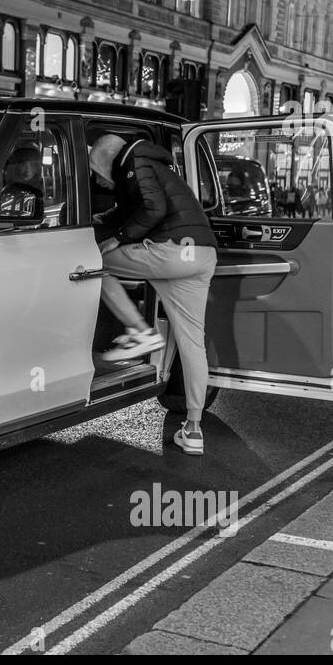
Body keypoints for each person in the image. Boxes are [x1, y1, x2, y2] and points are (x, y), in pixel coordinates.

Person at [88, 133, 218, 456]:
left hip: (172, 253)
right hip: (202, 256)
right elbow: (136, 208)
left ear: (104, 160)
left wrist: (116, 237)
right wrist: (105, 221)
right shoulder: (154, 164)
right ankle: (193, 429)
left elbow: (153, 208)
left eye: (94, 170)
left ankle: (141, 332)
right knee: (192, 342)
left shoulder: (134, 160)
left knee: (94, 264)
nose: (96, 178)